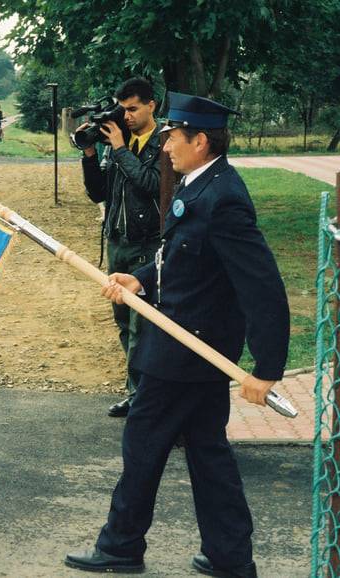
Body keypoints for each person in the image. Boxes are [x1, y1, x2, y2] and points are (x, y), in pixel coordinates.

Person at [64, 92, 290, 577]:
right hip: (191, 346)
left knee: (143, 444)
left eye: (173, 138)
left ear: (200, 140)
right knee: (208, 451)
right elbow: (184, 258)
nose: (165, 146)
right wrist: (142, 279)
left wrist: (267, 369)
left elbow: (262, 285)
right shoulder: (202, 184)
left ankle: (121, 547)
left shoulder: (223, 197)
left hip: (184, 350)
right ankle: (230, 557)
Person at [81, 77, 161, 418]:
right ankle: (137, 393)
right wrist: (89, 153)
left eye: (133, 109)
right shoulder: (118, 144)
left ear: (151, 106)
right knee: (124, 323)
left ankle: (141, 398)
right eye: (123, 109)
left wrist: (120, 150)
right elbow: (98, 193)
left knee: (142, 327)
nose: (126, 116)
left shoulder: (163, 142)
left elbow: (151, 184)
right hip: (118, 242)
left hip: (147, 244)